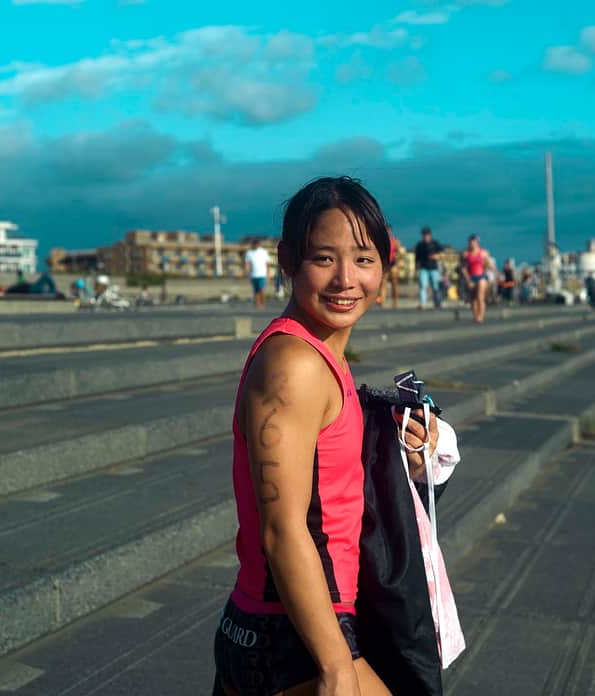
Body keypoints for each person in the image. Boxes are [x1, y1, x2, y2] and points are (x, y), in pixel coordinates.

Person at [214, 176, 435, 696]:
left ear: (386, 266)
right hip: (293, 635)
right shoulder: (294, 364)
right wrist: (337, 667)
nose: (345, 280)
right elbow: (282, 528)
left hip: (296, 621)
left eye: (363, 259)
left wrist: (403, 459)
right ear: (287, 260)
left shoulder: (320, 355)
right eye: (322, 259)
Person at [461, 234, 494, 324]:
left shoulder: (483, 252)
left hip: (481, 276)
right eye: (471, 242)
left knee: (480, 297)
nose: (473, 243)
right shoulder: (466, 253)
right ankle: (476, 316)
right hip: (471, 277)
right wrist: (468, 279)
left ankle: (481, 316)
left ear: (477, 242)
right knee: (473, 298)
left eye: (475, 242)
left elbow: (489, 264)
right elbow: (463, 267)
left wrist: (492, 272)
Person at [414, 227, 444, 309]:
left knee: (435, 286)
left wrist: (436, 256)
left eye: (427, 234)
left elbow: (442, 254)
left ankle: (437, 302)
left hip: (434, 268)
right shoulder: (420, 245)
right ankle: (422, 303)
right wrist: (416, 268)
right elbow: (416, 258)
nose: (425, 236)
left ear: (430, 235)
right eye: (424, 234)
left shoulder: (435, 244)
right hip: (423, 268)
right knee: (423, 285)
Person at [377, 225, 401, 308]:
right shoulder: (381, 242)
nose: (387, 233)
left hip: (393, 264)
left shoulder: (395, 241)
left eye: (388, 231)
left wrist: (397, 262)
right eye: (386, 231)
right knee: (383, 283)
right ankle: (382, 301)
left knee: (394, 283)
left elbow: (399, 253)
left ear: (391, 231)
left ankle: (395, 302)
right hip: (385, 264)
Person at [245, 238, 270, 310]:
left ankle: (262, 303)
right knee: (256, 291)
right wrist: (247, 273)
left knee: (261, 290)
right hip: (253, 275)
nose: (256, 245)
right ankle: (257, 304)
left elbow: (267, 264)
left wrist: (268, 275)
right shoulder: (249, 253)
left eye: (257, 243)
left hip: (262, 274)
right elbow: (247, 264)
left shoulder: (263, 252)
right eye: (254, 243)